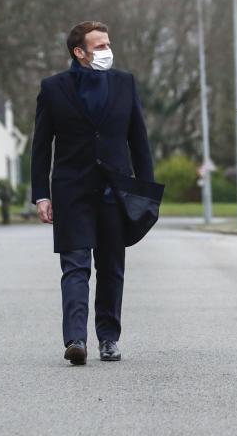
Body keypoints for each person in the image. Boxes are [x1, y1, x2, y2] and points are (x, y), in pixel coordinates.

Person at [31, 21, 154, 365]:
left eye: (107, 44)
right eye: (99, 46)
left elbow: (139, 141)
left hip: (115, 192)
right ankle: (75, 341)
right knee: (75, 267)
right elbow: (41, 146)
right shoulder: (53, 88)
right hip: (71, 192)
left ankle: (108, 338)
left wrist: (146, 192)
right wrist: (41, 194)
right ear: (79, 52)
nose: (107, 51)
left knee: (112, 267)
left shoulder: (125, 84)